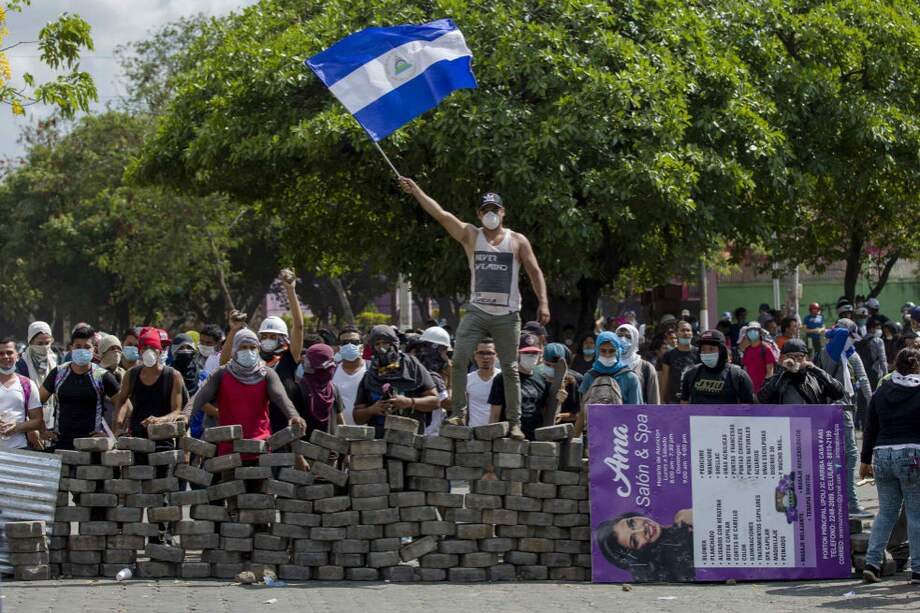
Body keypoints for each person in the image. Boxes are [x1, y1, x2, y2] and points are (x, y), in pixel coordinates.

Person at [400, 177, 550, 441]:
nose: (490, 214)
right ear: (479, 214)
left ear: (503, 212)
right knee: (458, 360)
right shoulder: (471, 235)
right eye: (485, 210)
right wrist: (417, 192)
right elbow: (441, 214)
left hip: (507, 314)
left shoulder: (517, 241)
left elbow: (534, 271)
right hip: (478, 311)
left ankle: (514, 424)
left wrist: (543, 302)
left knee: (511, 369)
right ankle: (458, 412)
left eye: (495, 209)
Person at [187, 328, 306, 456]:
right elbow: (201, 396)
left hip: (260, 446)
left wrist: (293, 415)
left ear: (258, 349)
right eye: (243, 347)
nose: (248, 351)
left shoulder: (267, 374)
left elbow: (281, 397)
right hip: (229, 451)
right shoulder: (222, 373)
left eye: (252, 347)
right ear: (235, 350)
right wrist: (186, 414)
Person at [859, 347, 920, 584]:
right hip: (912, 455)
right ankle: (917, 570)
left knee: (886, 513)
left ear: (895, 365)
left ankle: (872, 564)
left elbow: (869, 426)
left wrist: (865, 461)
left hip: (882, 455)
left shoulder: (882, 391)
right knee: (915, 514)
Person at [814, 323, 873, 519]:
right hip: (837, 409)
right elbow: (840, 333)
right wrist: (834, 330)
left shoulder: (848, 353)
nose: (853, 341)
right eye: (851, 336)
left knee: (843, 458)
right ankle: (851, 503)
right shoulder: (831, 351)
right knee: (850, 455)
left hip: (846, 408)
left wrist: (872, 403)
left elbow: (863, 378)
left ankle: (841, 502)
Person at [39, 325, 120, 450]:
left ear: (94, 349)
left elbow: (126, 406)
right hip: (61, 444)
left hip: (92, 448)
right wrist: (42, 429)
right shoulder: (59, 373)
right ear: (71, 348)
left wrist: (112, 434)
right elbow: (36, 403)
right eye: (78, 347)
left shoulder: (101, 375)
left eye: (87, 347)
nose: (82, 350)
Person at [352, 325, 440, 438]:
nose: (381, 348)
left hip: (411, 441)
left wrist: (409, 402)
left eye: (385, 343)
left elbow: (435, 402)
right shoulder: (370, 375)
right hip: (380, 443)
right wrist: (371, 410)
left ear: (394, 344)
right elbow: (357, 417)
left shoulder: (412, 365)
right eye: (377, 344)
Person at [112, 327, 185, 441]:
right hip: (136, 439)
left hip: (163, 439)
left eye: (152, 347)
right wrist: (118, 425)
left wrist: (160, 420)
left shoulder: (173, 376)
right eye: (145, 348)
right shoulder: (131, 374)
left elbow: (176, 411)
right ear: (140, 351)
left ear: (160, 351)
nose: (148, 351)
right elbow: (121, 400)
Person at [489, 333, 562, 440]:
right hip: (508, 440)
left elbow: (546, 412)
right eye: (526, 353)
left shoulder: (542, 379)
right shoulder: (504, 378)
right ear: (518, 354)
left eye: (534, 353)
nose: (531, 356)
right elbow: (495, 414)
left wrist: (558, 401)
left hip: (534, 439)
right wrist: (492, 440)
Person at [573, 332, 643, 437]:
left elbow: (636, 412)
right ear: (597, 351)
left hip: (622, 437)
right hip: (594, 436)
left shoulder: (630, 378)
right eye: (603, 351)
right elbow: (583, 412)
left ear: (618, 351)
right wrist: (574, 440)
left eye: (611, 351)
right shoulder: (589, 376)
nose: (607, 355)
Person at [595, 509, 695, 582]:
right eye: (634, 540)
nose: (642, 530)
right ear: (637, 553)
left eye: (632, 523)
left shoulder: (684, 518)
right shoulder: (664, 575)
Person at [757, 339, 844, 404]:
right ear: (783, 358)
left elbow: (838, 393)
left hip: (813, 424)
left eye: (800, 357)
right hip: (785, 425)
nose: (796, 361)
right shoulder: (777, 378)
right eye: (791, 356)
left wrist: (815, 369)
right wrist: (783, 371)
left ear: (806, 358)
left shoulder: (815, 377)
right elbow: (762, 398)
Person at [680, 330, 755, 404]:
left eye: (711, 349)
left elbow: (748, 408)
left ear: (722, 350)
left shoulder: (738, 375)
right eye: (703, 349)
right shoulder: (691, 374)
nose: (707, 353)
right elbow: (684, 403)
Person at [16, 321, 58, 449]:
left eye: (47, 343)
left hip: (51, 420)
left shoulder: (54, 362)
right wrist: (30, 427)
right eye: (40, 343)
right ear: (30, 342)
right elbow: (20, 399)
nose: (44, 347)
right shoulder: (21, 365)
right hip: (29, 425)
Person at [292, 343, 345, 437]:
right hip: (305, 449)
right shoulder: (298, 390)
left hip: (332, 448)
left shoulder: (333, 389)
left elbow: (340, 420)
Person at [0, 337, 44, 451]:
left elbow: (38, 420)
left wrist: (17, 427)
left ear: (17, 356)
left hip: (19, 448)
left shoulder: (28, 384)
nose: (5, 357)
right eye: (1, 353)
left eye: (9, 352)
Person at [415, 326, 453, 436]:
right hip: (430, 435)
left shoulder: (416, 367)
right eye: (445, 351)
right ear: (436, 349)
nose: (447, 357)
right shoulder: (432, 375)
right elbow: (448, 404)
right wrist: (451, 379)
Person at [616, 323, 660, 405]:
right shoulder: (609, 365)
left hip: (638, 416)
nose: (623, 339)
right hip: (611, 416)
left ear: (635, 340)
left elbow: (654, 403)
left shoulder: (646, 368)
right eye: (619, 335)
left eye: (628, 337)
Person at [332, 325, 367, 425]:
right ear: (339, 348)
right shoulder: (332, 372)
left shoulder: (371, 369)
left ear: (362, 347)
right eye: (345, 343)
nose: (350, 345)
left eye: (355, 342)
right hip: (337, 434)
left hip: (368, 434)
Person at [541, 343, 583, 425]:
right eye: (548, 365)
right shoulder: (538, 380)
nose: (552, 369)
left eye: (556, 366)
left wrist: (562, 416)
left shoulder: (572, 382)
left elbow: (578, 413)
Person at [659, 320, 697, 403]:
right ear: (677, 333)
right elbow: (665, 379)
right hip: (674, 401)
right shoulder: (668, 355)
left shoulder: (699, 353)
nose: (686, 333)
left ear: (692, 333)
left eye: (688, 330)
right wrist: (661, 400)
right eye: (682, 330)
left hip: (694, 401)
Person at [466, 338, 500, 427]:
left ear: (496, 355)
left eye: (489, 353)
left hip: (497, 433)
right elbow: (466, 411)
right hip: (473, 434)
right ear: (475, 356)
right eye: (481, 353)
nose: (485, 357)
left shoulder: (502, 378)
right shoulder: (468, 379)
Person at [738, 322, 777, 394]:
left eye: (755, 330)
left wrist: (764, 389)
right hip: (750, 391)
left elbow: (770, 372)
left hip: (762, 392)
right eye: (750, 330)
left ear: (760, 332)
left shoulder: (766, 349)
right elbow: (745, 369)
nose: (752, 332)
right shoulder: (747, 350)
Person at [856, 318, 888, 392]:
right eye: (878, 328)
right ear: (871, 329)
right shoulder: (878, 341)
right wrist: (886, 375)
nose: (880, 330)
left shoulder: (861, 340)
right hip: (875, 372)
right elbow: (883, 359)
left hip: (863, 372)